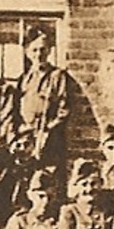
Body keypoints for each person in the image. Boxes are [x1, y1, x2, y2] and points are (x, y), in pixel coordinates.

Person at [14, 26, 72, 172]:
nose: (39, 54)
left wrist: (48, 129)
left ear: (49, 51)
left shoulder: (57, 76)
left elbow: (64, 110)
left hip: (49, 139)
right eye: (34, 50)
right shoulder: (24, 79)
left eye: (43, 49)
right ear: (27, 52)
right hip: (26, 138)